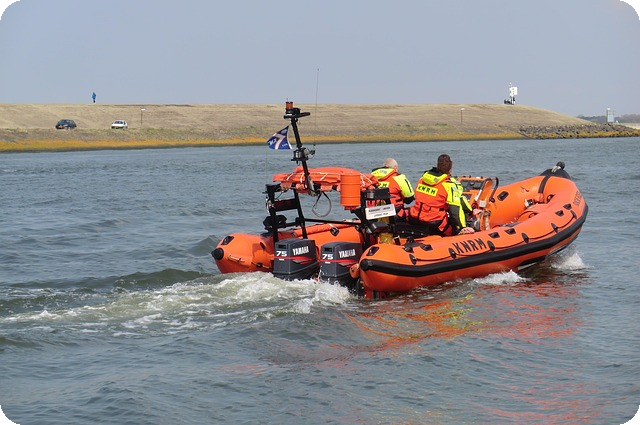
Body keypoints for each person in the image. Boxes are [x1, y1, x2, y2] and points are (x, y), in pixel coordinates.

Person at [403, 154, 475, 235]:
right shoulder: (448, 185)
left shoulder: (422, 179)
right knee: (454, 227)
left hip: (415, 217)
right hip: (434, 222)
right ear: (450, 169)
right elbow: (455, 210)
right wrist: (463, 227)